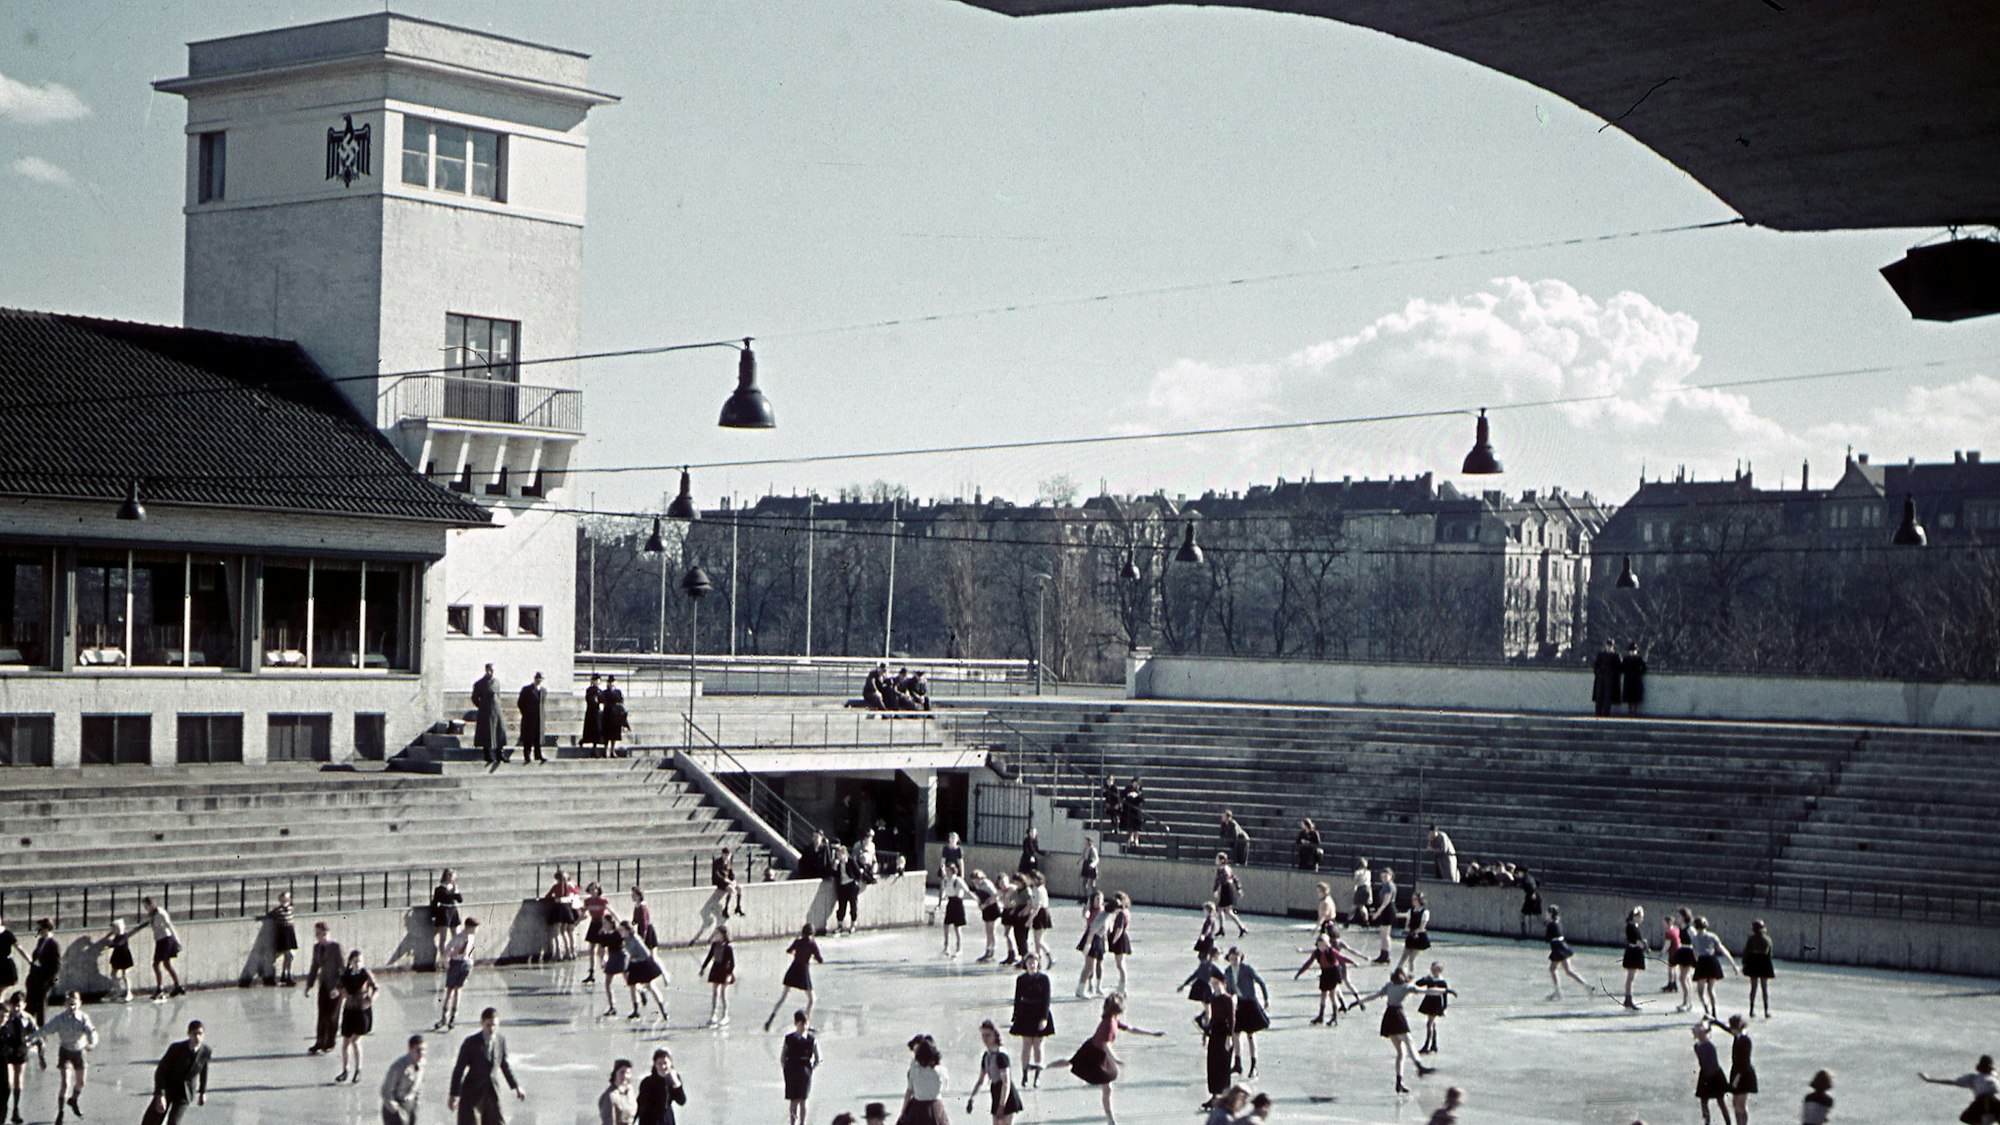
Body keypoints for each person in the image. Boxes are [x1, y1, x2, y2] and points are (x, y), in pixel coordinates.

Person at [1048, 993, 1162, 1125]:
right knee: (1071, 1062)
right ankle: (1045, 1067)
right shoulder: (1108, 1023)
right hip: (1092, 1052)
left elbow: (1131, 1029)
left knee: (1106, 1088)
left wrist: (1152, 1034)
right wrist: (1116, 1059)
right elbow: (1105, 1045)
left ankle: (1110, 1120)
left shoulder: (1113, 1019)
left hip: (1101, 1053)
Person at [1354, 969, 1444, 1094]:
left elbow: (1374, 996)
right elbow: (1425, 991)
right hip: (1397, 1015)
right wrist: (1444, 991)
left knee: (1401, 1052)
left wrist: (1359, 1001)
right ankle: (1419, 1066)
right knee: (1409, 1041)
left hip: (1388, 1016)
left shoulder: (1389, 986)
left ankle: (1399, 1082)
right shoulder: (1406, 987)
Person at [448, 1008, 524, 1123]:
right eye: (488, 1025)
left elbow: (504, 1064)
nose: (491, 1028)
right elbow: (459, 1069)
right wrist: (454, 1095)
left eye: (494, 1025)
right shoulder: (471, 1042)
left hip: (492, 1094)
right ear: (482, 1023)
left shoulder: (500, 1040)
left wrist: (516, 1086)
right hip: (472, 1094)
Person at [28, 991, 94, 1124]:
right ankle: (60, 1113)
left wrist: (92, 1042)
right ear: (65, 1004)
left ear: (80, 1003)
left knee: (81, 1082)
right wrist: (31, 1038)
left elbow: (91, 1031)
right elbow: (46, 1029)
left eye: (74, 1004)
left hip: (79, 1051)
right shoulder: (60, 1019)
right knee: (65, 1083)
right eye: (69, 1004)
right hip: (65, 1051)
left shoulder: (83, 1018)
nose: (72, 1007)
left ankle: (73, 1100)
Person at [1294, 929, 1362, 1025]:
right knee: (1323, 995)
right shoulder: (1316, 953)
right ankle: (1321, 1016)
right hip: (1325, 973)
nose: (1321, 947)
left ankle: (1334, 1017)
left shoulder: (1332, 951)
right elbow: (1308, 963)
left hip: (1333, 972)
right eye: (1319, 945)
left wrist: (1353, 962)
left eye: (1323, 945)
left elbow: (1342, 958)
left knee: (1332, 995)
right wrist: (1299, 973)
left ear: (1327, 944)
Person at [764, 923, 824, 1031]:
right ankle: (806, 1023)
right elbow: (820, 960)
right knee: (812, 999)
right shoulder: (812, 944)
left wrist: (796, 952)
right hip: (803, 971)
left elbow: (789, 950)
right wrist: (812, 957)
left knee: (783, 996)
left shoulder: (798, 941)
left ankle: (771, 1018)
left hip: (793, 969)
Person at [150, 1020, 210, 1125]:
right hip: (168, 1088)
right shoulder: (176, 1049)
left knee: (174, 1122)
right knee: (151, 1121)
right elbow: (161, 1071)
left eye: (200, 1034)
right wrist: (160, 1095)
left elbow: (204, 1071)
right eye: (194, 1034)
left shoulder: (206, 1051)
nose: (197, 1037)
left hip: (185, 1094)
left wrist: (202, 1092)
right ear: (188, 1034)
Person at [1223, 946, 1271, 1079]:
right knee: (1235, 1033)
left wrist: (1266, 999)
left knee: (1250, 1035)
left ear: (1241, 958)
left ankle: (1254, 1065)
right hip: (1239, 1003)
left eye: (1236, 958)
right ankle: (1237, 1064)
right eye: (1232, 958)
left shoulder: (1247, 969)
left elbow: (1261, 982)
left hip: (1250, 1003)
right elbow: (1228, 989)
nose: (1234, 960)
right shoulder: (1227, 971)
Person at [1009, 953, 1055, 1087]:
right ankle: (1024, 1074)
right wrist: (1015, 1015)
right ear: (1026, 964)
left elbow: (1047, 999)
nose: (1032, 965)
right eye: (1029, 962)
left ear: (1038, 963)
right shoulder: (1021, 979)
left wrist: (1044, 1018)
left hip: (1039, 1011)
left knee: (1038, 1045)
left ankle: (1037, 1076)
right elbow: (1017, 998)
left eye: (1034, 962)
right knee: (1026, 1045)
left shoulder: (1044, 979)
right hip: (1026, 1013)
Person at [966, 1019, 1023, 1125]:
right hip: (995, 1091)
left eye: (988, 1035)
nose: (985, 1039)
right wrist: (972, 1098)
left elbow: (1006, 1083)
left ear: (995, 1035)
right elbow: (981, 1080)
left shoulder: (1001, 1055)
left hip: (1006, 1095)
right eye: (983, 1035)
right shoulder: (986, 1055)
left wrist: (1002, 1105)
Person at [337, 949, 381, 1084]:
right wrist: (340, 993)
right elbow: (340, 988)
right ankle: (345, 1070)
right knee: (345, 1042)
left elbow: (376, 988)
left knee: (356, 1041)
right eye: (355, 961)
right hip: (349, 1009)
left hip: (361, 1010)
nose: (358, 964)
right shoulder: (346, 975)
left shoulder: (365, 974)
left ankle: (358, 1070)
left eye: (360, 961)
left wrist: (371, 999)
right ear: (350, 962)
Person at [304, 921, 347, 1054]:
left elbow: (343, 969)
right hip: (323, 984)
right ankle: (320, 1041)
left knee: (332, 1015)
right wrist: (309, 984)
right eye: (316, 934)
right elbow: (314, 966)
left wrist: (339, 987)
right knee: (322, 1014)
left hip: (335, 985)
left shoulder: (336, 947)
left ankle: (330, 1042)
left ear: (326, 933)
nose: (317, 936)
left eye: (319, 933)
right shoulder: (317, 947)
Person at [1709, 1014, 1758, 1125]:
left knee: (1741, 1105)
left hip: (1744, 1075)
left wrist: (1736, 1079)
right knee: (1735, 1103)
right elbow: (1727, 1029)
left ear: (1737, 1027)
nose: (1731, 1029)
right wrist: (1715, 1021)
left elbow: (1745, 1063)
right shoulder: (1738, 1035)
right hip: (1737, 1072)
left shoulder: (1745, 1040)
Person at [0, 991, 41, 1124]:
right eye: (14, 1006)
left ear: (24, 1005)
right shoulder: (6, 1016)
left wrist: (33, 1046)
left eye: (19, 1006)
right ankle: (5, 1107)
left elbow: (36, 1034)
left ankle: (16, 1108)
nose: (16, 1009)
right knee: (8, 1081)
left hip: (21, 1050)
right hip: (7, 1052)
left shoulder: (27, 1018)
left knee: (18, 1080)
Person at [1921, 1057, 1999, 1125]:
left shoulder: (1993, 1076)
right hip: (1982, 1101)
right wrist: (1930, 1080)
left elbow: (1952, 1082)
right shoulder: (1973, 1078)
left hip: (1990, 1100)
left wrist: (1930, 1080)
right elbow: (1952, 1082)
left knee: (1967, 1117)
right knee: (1965, 1117)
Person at [1688, 916, 1739, 1020]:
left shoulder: (1694, 938)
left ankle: (1707, 1010)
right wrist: (1733, 964)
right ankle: (1714, 1010)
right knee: (1711, 989)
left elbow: (1695, 953)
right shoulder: (1712, 936)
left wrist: (1697, 964)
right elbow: (1722, 949)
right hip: (1712, 961)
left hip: (1702, 962)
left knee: (1700, 990)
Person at [620, 920, 670, 1022]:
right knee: (632, 986)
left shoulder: (635, 938)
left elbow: (646, 953)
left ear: (628, 930)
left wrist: (635, 959)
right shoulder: (625, 939)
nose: (620, 932)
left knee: (650, 986)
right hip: (634, 963)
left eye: (622, 930)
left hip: (644, 963)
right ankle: (636, 1010)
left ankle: (663, 1010)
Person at [437, 918, 479, 1031]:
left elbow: (471, 950)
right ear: (470, 927)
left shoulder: (471, 937)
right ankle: (444, 1017)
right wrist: (448, 958)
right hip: (456, 963)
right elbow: (447, 949)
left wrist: (470, 962)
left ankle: (453, 1017)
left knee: (458, 989)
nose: (477, 930)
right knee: (450, 990)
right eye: (475, 928)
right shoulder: (458, 937)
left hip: (466, 964)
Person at [899, 1034, 949, 1125]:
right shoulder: (942, 1071)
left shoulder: (914, 1070)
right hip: (937, 1108)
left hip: (918, 1109)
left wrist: (903, 1112)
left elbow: (909, 1091)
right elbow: (944, 1090)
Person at [1199, 991, 1237, 1110]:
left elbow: (1232, 1019)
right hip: (1215, 1033)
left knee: (1223, 1066)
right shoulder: (1213, 998)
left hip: (1224, 1034)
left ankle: (1225, 1098)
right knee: (1213, 1065)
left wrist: (1229, 1037)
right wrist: (1206, 1034)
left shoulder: (1228, 999)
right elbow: (1212, 1018)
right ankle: (1215, 1096)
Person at [780, 1011, 819, 1125]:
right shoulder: (789, 1039)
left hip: (804, 1070)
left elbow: (818, 1058)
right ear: (796, 1024)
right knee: (793, 1100)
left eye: (805, 1024)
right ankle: (793, 1122)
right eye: (801, 1024)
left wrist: (811, 1069)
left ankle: (802, 1122)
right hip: (791, 1070)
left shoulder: (811, 1039)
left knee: (803, 1100)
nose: (803, 1027)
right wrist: (786, 1069)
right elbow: (783, 1057)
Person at [1544, 906, 1590, 998]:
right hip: (1563, 946)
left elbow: (1547, 939)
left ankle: (1558, 991)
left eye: (1547, 913)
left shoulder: (1550, 924)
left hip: (1557, 948)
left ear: (1550, 914)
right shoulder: (1558, 922)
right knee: (1568, 970)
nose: (1546, 914)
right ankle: (1586, 985)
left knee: (1553, 969)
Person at [144, 897, 185, 1000]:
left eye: (146, 906)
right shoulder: (151, 915)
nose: (146, 909)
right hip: (159, 940)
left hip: (166, 939)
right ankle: (177, 985)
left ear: (152, 904)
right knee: (165, 964)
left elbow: (169, 925)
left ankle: (160, 988)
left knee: (157, 964)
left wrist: (177, 940)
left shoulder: (161, 913)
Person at [380, 1035, 426, 1125]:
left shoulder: (421, 1064)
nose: (421, 1053)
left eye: (424, 1050)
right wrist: (396, 1110)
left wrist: (416, 1105)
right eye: (418, 1050)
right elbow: (386, 1091)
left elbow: (418, 1087)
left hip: (410, 1107)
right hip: (395, 1110)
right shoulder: (399, 1067)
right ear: (410, 1049)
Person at [1691, 1021, 1730, 1125]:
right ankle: (1707, 1122)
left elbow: (1712, 1064)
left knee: (1720, 1101)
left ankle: (1728, 1123)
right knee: (1704, 1102)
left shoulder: (1710, 1046)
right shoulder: (1697, 1046)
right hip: (1705, 1074)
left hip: (1714, 1075)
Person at [1414, 961, 1455, 1056]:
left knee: (1429, 1024)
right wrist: (1425, 978)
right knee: (1432, 1024)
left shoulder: (1442, 981)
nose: (1433, 971)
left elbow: (1444, 995)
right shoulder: (1430, 979)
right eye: (1432, 969)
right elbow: (1418, 983)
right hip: (1428, 1000)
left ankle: (1427, 1045)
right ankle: (1433, 1045)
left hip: (1436, 1002)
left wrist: (1444, 1008)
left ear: (1440, 971)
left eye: (1436, 970)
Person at [635, 1049, 685, 1125]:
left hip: (667, 1119)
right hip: (650, 1120)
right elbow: (640, 1105)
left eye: (665, 1063)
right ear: (655, 1065)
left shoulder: (673, 1079)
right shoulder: (648, 1082)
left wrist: (676, 1083)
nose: (663, 1066)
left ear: (670, 1063)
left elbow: (681, 1101)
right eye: (659, 1063)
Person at [542, 868, 582, 962]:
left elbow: (548, 896)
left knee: (557, 932)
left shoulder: (556, 886)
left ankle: (559, 953)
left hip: (558, 908)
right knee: (564, 931)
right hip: (567, 908)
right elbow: (577, 892)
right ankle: (569, 952)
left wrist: (555, 898)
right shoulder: (570, 886)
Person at [1075, 891, 1109, 998]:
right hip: (1091, 937)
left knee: (1099, 963)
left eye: (1101, 899)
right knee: (1089, 966)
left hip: (1100, 938)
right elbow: (1086, 915)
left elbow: (1106, 928)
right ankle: (1081, 988)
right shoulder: (1090, 910)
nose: (1099, 901)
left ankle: (1098, 986)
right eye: (1097, 899)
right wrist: (1087, 906)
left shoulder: (1104, 911)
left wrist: (1106, 941)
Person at [700, 925, 736, 1027]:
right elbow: (709, 956)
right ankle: (713, 1015)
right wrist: (703, 968)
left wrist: (729, 974)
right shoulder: (714, 945)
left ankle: (725, 1015)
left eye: (717, 934)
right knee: (715, 992)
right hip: (716, 969)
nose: (715, 935)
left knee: (723, 994)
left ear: (723, 935)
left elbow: (732, 963)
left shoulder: (728, 947)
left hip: (724, 971)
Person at [23, 919, 58, 1025]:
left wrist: (51, 980)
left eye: (40, 929)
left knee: (41, 1006)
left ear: (46, 929)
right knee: (30, 1004)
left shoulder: (53, 944)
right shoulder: (41, 941)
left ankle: (40, 1029)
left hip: (44, 979)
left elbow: (56, 964)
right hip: (35, 977)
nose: (38, 931)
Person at [472, 663, 507, 763]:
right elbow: (474, 698)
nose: (491, 672)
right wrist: (482, 706)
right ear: (486, 670)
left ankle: (500, 754)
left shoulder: (496, 682)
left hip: (497, 710)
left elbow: (498, 696)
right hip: (486, 712)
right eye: (489, 670)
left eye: (492, 670)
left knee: (500, 731)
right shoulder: (479, 684)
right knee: (487, 733)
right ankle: (487, 754)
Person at [431, 871, 464, 971]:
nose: (452, 878)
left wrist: (456, 891)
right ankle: (444, 960)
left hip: (453, 911)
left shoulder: (454, 888)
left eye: (453, 876)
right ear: (446, 876)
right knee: (443, 938)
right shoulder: (440, 889)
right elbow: (435, 902)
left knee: (456, 936)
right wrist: (433, 916)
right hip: (444, 911)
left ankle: (456, 958)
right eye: (451, 876)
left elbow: (460, 900)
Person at [1741, 919, 1774, 1018]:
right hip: (1764, 962)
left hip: (1753, 962)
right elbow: (1770, 953)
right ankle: (1766, 1011)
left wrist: (1744, 963)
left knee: (1753, 987)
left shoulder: (1751, 939)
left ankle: (1751, 1010)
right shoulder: (1768, 939)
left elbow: (1746, 952)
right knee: (1764, 988)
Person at [1395, 891, 1432, 976]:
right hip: (1411, 936)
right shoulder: (1410, 911)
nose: (1413, 901)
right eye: (1413, 899)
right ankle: (1397, 972)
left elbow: (1422, 927)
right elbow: (1407, 924)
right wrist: (1407, 929)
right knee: (1404, 955)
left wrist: (1414, 932)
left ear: (1420, 900)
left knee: (1411, 959)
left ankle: (1410, 975)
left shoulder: (1425, 912)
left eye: (1415, 899)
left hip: (1419, 937)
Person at [1105, 892, 1134, 995]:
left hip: (1120, 939)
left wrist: (1114, 940)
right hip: (1123, 937)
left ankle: (1122, 987)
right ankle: (1122, 986)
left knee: (1120, 964)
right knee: (1121, 964)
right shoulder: (1126, 912)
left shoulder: (1121, 913)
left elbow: (1119, 928)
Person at [268, 891, 299, 985]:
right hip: (283, 933)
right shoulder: (278, 910)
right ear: (280, 900)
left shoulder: (291, 908)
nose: (285, 902)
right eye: (283, 900)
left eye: (287, 900)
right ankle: (285, 975)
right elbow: (271, 915)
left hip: (290, 933)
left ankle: (286, 974)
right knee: (288, 954)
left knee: (289, 955)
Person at [971, 870, 1003, 963]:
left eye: (978, 878)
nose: (976, 881)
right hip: (985, 909)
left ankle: (992, 952)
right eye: (974, 879)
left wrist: (986, 904)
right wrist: (980, 905)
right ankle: (988, 951)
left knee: (992, 931)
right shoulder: (978, 886)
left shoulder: (987, 884)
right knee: (988, 931)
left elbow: (995, 896)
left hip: (992, 908)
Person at [1621, 906, 1649, 1010]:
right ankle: (1628, 998)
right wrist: (1644, 945)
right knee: (1630, 977)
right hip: (1633, 953)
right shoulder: (1631, 927)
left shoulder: (1632, 926)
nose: (1642, 919)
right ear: (1635, 917)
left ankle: (1628, 998)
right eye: (1641, 916)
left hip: (1633, 952)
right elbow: (1637, 941)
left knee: (1631, 977)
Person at [1213, 854, 1248, 938]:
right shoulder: (1228, 868)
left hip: (1226, 888)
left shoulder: (1221, 869)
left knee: (1223, 909)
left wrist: (1215, 889)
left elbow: (1218, 880)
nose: (1216, 860)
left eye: (1217, 859)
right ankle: (1239, 928)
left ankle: (1226, 929)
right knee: (1226, 910)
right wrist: (1238, 888)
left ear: (1222, 860)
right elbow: (1234, 878)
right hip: (1228, 888)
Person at [940, 863, 970, 958]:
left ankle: (959, 948)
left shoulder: (958, 880)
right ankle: (946, 947)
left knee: (957, 927)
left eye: (948, 870)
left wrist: (977, 899)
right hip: (950, 902)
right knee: (946, 925)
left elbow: (967, 890)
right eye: (946, 870)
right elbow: (943, 890)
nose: (946, 872)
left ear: (952, 871)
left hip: (958, 903)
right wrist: (941, 900)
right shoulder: (945, 880)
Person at [516, 672, 546, 764]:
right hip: (529, 718)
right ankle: (527, 754)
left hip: (539, 717)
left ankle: (538, 754)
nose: (539, 680)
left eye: (540, 679)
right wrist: (526, 713)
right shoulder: (527, 689)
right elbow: (520, 703)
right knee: (528, 736)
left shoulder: (543, 691)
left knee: (538, 736)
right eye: (537, 678)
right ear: (534, 679)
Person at [834, 845, 864, 935]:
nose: (839, 857)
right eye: (837, 855)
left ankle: (853, 924)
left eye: (840, 854)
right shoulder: (838, 863)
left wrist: (855, 881)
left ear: (844, 854)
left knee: (853, 905)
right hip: (842, 886)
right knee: (841, 906)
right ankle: (840, 925)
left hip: (851, 885)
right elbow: (834, 874)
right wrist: (835, 866)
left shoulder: (851, 861)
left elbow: (858, 873)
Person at [102, 919, 134, 1003]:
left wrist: (109, 943)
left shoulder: (123, 936)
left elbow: (118, 944)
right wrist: (109, 937)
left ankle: (129, 993)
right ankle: (118, 990)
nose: (112, 930)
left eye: (113, 928)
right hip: (117, 955)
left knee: (124, 975)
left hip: (124, 956)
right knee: (113, 974)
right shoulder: (117, 935)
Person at [598, 1058, 637, 1125]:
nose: (625, 1076)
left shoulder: (630, 1090)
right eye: (622, 1072)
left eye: (628, 1073)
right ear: (615, 1073)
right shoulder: (610, 1096)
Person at [1591, 639, 1623, 716]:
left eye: (1610, 645)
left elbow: (1619, 667)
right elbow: (1596, 665)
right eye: (1608, 645)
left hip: (1610, 678)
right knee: (1599, 694)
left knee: (1607, 695)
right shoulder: (1601, 654)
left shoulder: (1615, 655)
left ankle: (1606, 712)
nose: (1609, 647)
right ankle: (1598, 712)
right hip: (1601, 677)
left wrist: (1613, 674)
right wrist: (1598, 673)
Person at [600, 675, 629, 755]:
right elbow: (602, 700)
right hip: (607, 714)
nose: (611, 684)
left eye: (613, 682)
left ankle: (612, 750)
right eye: (610, 682)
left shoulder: (618, 692)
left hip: (616, 714)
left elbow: (621, 700)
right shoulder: (605, 692)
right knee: (607, 733)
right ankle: (605, 750)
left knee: (615, 733)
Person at [581, 673, 606, 754]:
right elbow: (590, 700)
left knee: (598, 730)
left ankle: (596, 746)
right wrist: (597, 702)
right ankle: (587, 743)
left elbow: (603, 700)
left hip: (598, 713)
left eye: (597, 680)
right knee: (591, 729)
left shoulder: (600, 691)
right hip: (591, 712)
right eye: (594, 680)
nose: (596, 682)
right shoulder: (590, 690)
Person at [1622, 643, 1648, 715]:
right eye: (1631, 651)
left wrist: (1639, 673)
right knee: (1629, 696)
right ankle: (1630, 710)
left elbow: (1644, 669)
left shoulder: (1639, 659)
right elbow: (1622, 668)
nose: (1632, 652)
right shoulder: (1626, 659)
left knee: (1636, 696)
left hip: (1636, 680)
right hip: (1628, 680)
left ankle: (1634, 711)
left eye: (1634, 650)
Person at [1118, 779, 1145, 848]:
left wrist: (1137, 795)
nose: (1135, 784)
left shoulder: (1140, 790)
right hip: (1128, 809)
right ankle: (1130, 837)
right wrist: (1128, 795)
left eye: (1137, 783)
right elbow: (1121, 795)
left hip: (1136, 809)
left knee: (1137, 823)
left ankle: (1136, 838)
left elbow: (1142, 799)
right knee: (1129, 823)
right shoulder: (1128, 789)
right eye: (1134, 783)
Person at [1516, 867, 1542, 937]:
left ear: (1523, 873)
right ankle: (1550, 927)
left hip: (1531, 898)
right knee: (1537, 916)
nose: (1518, 874)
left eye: (1519, 872)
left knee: (1522, 915)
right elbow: (1537, 881)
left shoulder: (1526, 880)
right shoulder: (1529, 877)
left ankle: (1523, 933)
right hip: (1532, 898)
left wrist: (1533, 893)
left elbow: (1531, 886)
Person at [1078, 836, 1100, 903]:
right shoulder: (1085, 849)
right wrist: (1079, 860)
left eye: (1086, 841)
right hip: (1085, 865)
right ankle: (1084, 897)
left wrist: (1093, 864)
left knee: (1092, 884)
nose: (1085, 843)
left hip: (1091, 866)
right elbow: (1083, 856)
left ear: (1090, 842)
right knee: (1083, 882)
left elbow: (1097, 859)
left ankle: (1095, 898)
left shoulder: (1093, 849)